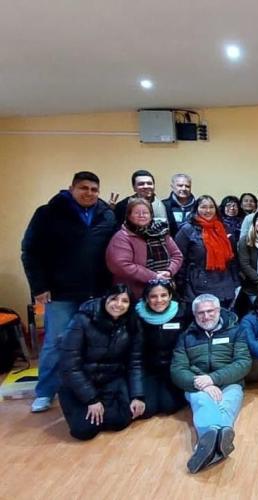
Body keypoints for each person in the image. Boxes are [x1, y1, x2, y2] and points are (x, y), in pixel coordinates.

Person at [21, 171, 117, 413]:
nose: (89, 193)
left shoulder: (106, 214)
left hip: (97, 290)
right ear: (71, 188)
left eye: (94, 189)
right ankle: (45, 392)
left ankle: (86, 389)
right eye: (84, 188)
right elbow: (30, 251)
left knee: (93, 341)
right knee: (57, 341)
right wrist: (39, 286)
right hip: (61, 292)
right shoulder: (48, 213)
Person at [171, 294, 251, 473]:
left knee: (227, 404)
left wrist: (214, 378)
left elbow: (243, 363)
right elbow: (178, 369)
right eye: (201, 313)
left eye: (210, 311)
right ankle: (218, 440)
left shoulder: (236, 331)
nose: (206, 316)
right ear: (194, 315)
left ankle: (207, 445)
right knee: (202, 402)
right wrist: (203, 384)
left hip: (229, 382)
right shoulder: (186, 337)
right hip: (198, 383)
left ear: (218, 310)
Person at [58, 284, 145, 440]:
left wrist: (137, 395)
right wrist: (91, 399)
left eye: (125, 301)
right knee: (84, 431)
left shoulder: (132, 323)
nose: (119, 304)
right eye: (114, 299)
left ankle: (107, 407)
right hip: (80, 383)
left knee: (119, 421)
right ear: (105, 299)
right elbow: (69, 366)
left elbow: (135, 362)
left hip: (110, 380)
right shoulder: (82, 320)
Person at [135, 279, 192, 418]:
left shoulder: (183, 311)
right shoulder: (136, 315)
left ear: (170, 296)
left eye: (163, 295)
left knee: (168, 406)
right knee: (148, 410)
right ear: (146, 298)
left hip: (173, 367)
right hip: (148, 368)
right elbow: (135, 354)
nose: (159, 300)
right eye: (153, 296)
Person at [106, 198, 183, 298]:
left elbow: (177, 256)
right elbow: (121, 265)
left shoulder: (161, 232)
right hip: (132, 293)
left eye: (145, 212)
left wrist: (169, 271)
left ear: (151, 215)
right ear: (129, 216)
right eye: (137, 212)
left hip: (164, 289)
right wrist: (154, 277)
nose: (142, 215)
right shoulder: (122, 237)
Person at [175, 195, 240, 307]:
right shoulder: (187, 230)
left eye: (211, 207)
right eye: (203, 207)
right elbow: (180, 260)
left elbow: (232, 259)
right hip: (197, 285)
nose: (208, 210)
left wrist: (236, 282)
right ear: (196, 209)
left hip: (225, 283)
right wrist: (181, 286)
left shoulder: (224, 228)